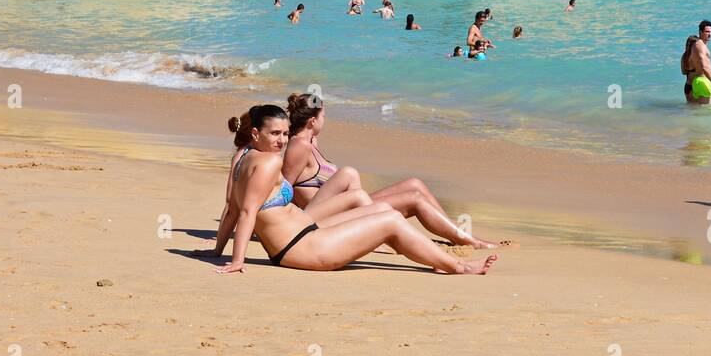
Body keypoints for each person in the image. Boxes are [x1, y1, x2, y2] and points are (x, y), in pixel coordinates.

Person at [203, 105, 497, 274]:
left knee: (381, 209)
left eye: (284, 134)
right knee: (392, 220)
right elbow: (245, 211)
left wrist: (217, 251)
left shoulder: (242, 156)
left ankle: (435, 258)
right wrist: (237, 260)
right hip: (302, 249)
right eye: (275, 134)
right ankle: (458, 267)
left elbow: (230, 207)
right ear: (256, 133)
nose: (282, 141)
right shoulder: (267, 163)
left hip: (305, 234)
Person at [281, 94, 497, 248]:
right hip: (332, 217)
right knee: (414, 199)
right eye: (323, 116)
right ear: (312, 121)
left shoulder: (310, 142)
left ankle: (453, 230)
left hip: (349, 206)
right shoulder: (299, 146)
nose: (325, 120)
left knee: (414, 183)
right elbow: (284, 187)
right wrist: (278, 225)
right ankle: (468, 240)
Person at [682, 21, 711, 103]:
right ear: (700, 32)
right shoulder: (700, 45)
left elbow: (683, 71)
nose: (710, 34)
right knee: (706, 111)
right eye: (707, 32)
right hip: (701, 84)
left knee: (694, 111)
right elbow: (703, 67)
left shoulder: (687, 53)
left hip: (689, 84)